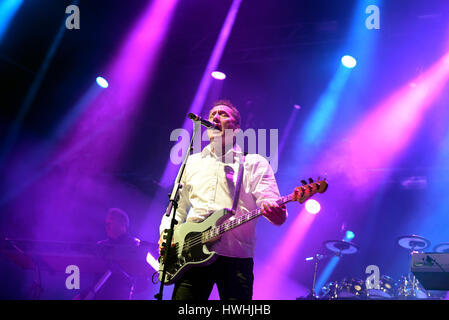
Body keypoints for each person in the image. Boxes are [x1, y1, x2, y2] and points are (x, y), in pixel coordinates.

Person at [159, 100, 288, 300]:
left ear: (236, 128)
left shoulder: (255, 163)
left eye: (223, 114)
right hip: (191, 256)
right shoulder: (192, 162)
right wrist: (167, 236)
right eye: (212, 115)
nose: (215, 118)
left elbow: (273, 208)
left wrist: (277, 213)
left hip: (236, 259)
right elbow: (177, 208)